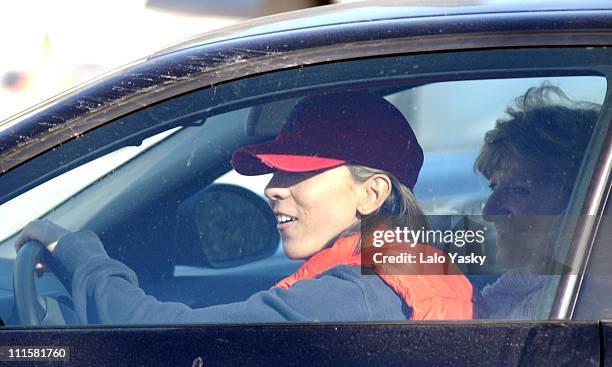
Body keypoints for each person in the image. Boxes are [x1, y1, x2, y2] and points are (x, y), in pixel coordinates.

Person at [16, 91, 474, 324]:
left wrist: (75, 250)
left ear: (371, 194)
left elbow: (158, 332)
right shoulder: (408, 271)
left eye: (296, 172)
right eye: (275, 173)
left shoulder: (350, 299)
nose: (273, 189)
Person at [475, 84, 600, 319]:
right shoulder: (514, 293)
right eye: (494, 187)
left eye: (518, 190)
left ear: (578, 202)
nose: (489, 211)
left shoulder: (563, 309)